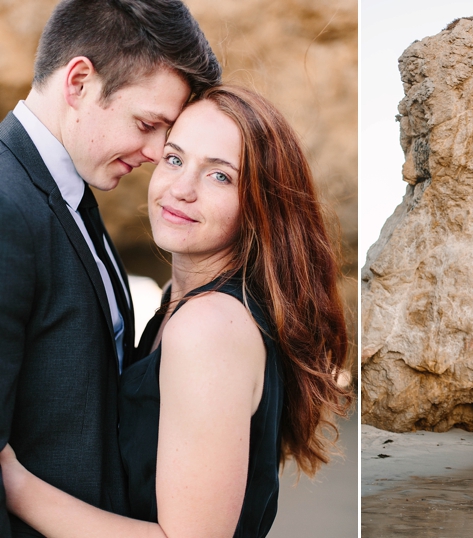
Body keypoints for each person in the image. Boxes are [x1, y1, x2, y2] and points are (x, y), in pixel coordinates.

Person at [0, 84, 352, 538]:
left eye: (220, 175)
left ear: (261, 205)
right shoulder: (183, 302)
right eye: (174, 158)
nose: (181, 189)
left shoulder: (209, 328)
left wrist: (17, 485)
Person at [0, 0, 220, 535]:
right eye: (147, 124)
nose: (153, 152)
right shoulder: (7, 206)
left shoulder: (68, 193)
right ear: (78, 82)